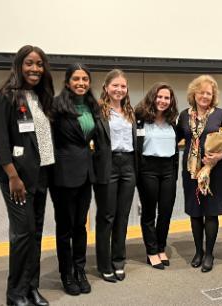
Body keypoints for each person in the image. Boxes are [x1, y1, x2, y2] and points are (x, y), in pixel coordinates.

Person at [0, 45, 54, 306]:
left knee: (35, 233)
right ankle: (15, 293)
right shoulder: (4, 96)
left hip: (40, 176)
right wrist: (13, 176)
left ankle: (31, 288)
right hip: (16, 178)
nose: (35, 69)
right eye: (29, 63)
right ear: (19, 65)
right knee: (22, 234)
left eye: (39, 64)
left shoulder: (40, 97)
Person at [51, 63, 99, 295]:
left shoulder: (93, 105)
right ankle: (66, 274)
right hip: (62, 175)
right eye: (76, 79)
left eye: (85, 79)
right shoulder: (56, 107)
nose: (81, 83)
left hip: (86, 175)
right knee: (65, 228)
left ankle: (80, 271)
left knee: (80, 226)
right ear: (68, 81)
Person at [177, 75, 222, 273]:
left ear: (213, 96)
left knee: (211, 212)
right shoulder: (184, 115)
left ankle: (209, 254)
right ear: (194, 94)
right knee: (195, 212)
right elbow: (175, 137)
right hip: (191, 172)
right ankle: (198, 251)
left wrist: (218, 156)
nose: (204, 96)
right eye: (201, 92)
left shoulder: (221, 115)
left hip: (214, 171)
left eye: (209, 93)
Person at [93, 69, 137, 282]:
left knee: (123, 216)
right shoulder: (98, 111)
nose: (119, 90)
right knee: (107, 216)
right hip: (108, 166)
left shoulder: (130, 112)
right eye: (115, 86)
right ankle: (104, 264)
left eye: (123, 86)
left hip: (128, 166)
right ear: (106, 87)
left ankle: (118, 260)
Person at [135, 82, 179, 270]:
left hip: (168, 169)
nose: (162, 101)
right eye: (159, 97)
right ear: (152, 97)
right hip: (148, 169)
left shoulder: (173, 121)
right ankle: (152, 251)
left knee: (166, 212)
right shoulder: (139, 119)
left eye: (166, 98)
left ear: (171, 101)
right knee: (149, 213)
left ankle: (161, 247)